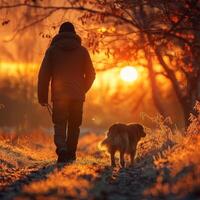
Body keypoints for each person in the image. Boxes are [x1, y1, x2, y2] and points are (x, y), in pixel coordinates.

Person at [37, 22, 95, 164]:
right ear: (74, 34)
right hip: (77, 96)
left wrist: (42, 97)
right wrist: (82, 89)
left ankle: (62, 149)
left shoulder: (52, 51)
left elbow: (43, 75)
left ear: (60, 34)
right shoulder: (82, 51)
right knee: (75, 125)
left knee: (60, 123)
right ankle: (71, 153)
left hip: (59, 96)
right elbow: (91, 74)